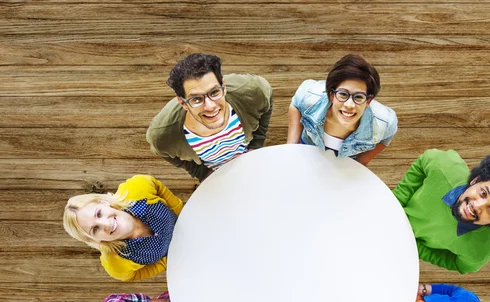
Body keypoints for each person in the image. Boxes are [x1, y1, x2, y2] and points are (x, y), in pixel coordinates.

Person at [392, 149, 490, 273]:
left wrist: (413, 247)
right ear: (476, 180)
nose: (478, 206)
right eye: (483, 193)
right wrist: (396, 203)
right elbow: (424, 159)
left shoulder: (479, 250)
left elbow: (461, 265)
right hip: (384, 214)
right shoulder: (445, 167)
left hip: (399, 253)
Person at [147, 53, 273, 182]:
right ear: (182, 103)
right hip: (217, 179)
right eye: (196, 99)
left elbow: (267, 99)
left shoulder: (253, 90)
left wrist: (256, 145)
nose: (210, 106)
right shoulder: (162, 133)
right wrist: (203, 173)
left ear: (223, 86)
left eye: (214, 92)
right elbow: (163, 151)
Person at [63, 175, 183, 281]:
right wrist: (168, 262)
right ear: (94, 240)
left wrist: (183, 216)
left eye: (99, 213)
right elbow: (132, 276)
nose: (106, 224)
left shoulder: (138, 188)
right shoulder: (116, 264)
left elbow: (155, 184)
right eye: (95, 229)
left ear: (103, 202)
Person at [287, 53, 397, 165]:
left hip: (347, 160)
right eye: (343, 94)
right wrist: (292, 147)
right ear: (331, 94)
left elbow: (387, 135)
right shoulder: (311, 96)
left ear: (368, 101)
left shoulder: (384, 121)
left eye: (359, 97)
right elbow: (297, 102)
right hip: (308, 146)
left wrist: (360, 164)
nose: (350, 105)